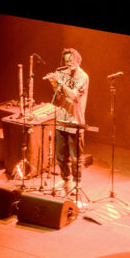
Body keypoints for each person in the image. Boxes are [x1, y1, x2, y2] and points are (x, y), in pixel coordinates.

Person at [45, 48, 89, 191]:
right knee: (60, 156)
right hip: (61, 119)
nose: (69, 63)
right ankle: (66, 179)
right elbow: (59, 97)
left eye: (71, 60)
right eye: (66, 60)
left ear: (77, 60)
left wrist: (61, 83)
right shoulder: (63, 74)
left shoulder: (83, 77)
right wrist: (54, 83)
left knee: (75, 157)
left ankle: (77, 182)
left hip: (75, 121)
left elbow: (74, 96)